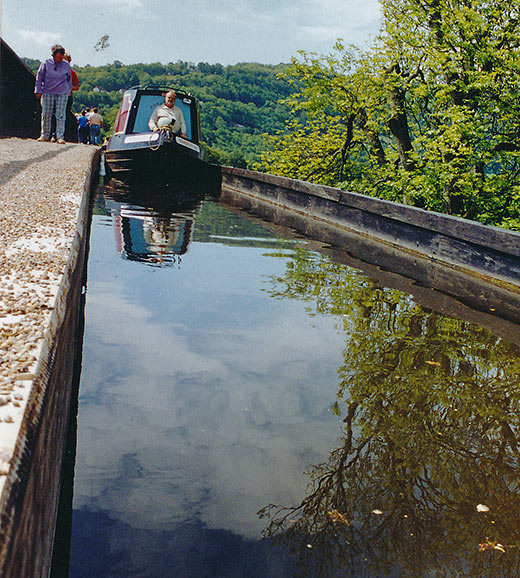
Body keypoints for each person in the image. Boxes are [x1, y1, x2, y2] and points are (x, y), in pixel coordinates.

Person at [34, 45, 72, 144]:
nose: (61, 58)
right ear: (54, 55)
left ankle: (60, 136)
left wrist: (67, 91)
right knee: (46, 114)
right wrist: (38, 90)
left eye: (62, 56)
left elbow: (69, 79)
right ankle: (45, 135)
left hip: (62, 93)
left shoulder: (66, 65)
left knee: (60, 114)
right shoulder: (46, 63)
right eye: (59, 56)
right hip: (48, 92)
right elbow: (39, 77)